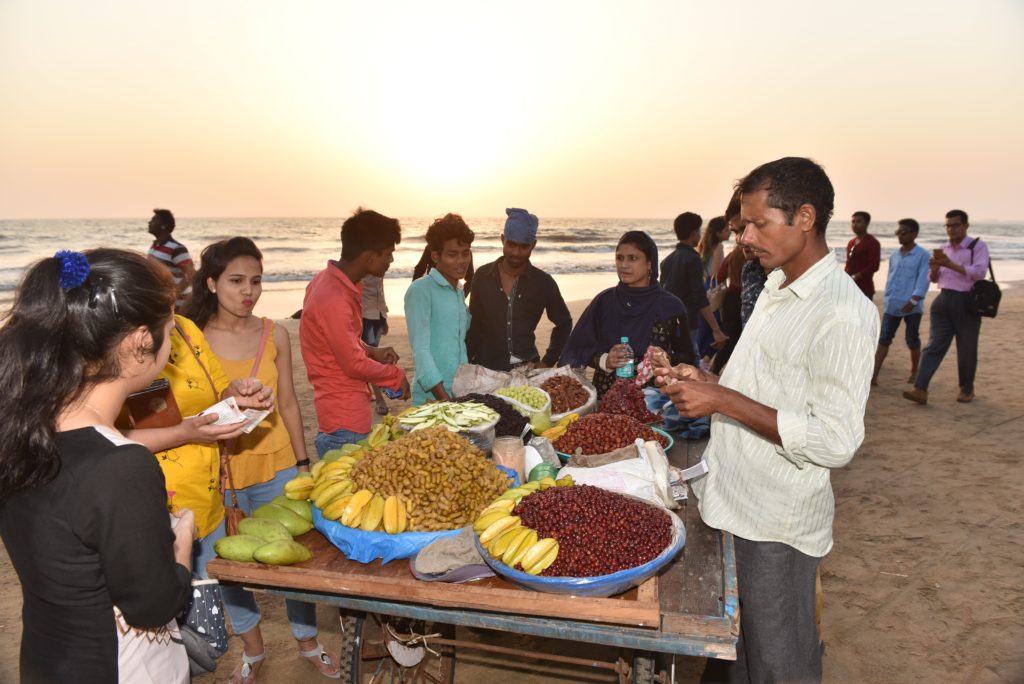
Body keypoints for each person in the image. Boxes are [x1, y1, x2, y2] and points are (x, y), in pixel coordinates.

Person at [655, 157, 878, 683]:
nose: (746, 237)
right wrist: (708, 385)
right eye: (742, 225)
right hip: (733, 499)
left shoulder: (841, 311)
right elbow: (766, 391)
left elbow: (836, 438)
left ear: (805, 217)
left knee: (781, 665)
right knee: (738, 655)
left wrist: (723, 404)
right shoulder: (778, 287)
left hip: (774, 524)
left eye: (758, 224)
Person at [0, 248, 195, 682]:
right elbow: (153, 605)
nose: (174, 340)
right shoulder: (121, 465)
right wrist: (183, 544)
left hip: (45, 660)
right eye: (171, 328)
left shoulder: (20, 432)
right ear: (139, 341)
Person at [186, 237, 341, 681]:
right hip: (220, 472)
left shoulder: (276, 334)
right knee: (227, 567)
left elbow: (290, 402)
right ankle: (253, 650)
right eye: (236, 281)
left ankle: (308, 641)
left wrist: (303, 462)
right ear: (212, 283)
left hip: (274, 467)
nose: (248, 291)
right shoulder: (190, 339)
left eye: (256, 281)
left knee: (295, 561)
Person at [301, 209, 409, 456]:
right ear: (370, 257)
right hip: (344, 421)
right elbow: (352, 365)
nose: (391, 260)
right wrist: (395, 376)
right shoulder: (334, 298)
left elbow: (340, 341)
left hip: (342, 413)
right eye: (388, 253)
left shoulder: (326, 281)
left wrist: (372, 351)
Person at [561, 231, 694, 398]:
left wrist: (666, 358)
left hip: (654, 397)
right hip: (607, 396)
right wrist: (606, 360)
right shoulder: (604, 301)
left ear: (650, 263)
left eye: (632, 258)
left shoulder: (670, 306)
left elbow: (688, 357)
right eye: (619, 258)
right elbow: (579, 348)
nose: (623, 265)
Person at [466, 208, 573, 371]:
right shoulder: (482, 276)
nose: (516, 252)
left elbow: (564, 323)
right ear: (503, 240)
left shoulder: (543, 283)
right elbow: (474, 325)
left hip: (527, 368)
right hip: (486, 368)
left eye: (523, 247)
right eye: (511, 244)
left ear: (533, 245)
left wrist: (548, 361)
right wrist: (467, 361)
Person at [903, 210, 989, 405]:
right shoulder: (944, 249)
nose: (951, 229)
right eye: (948, 225)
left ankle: (966, 389)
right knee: (934, 346)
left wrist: (950, 264)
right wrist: (934, 269)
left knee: (966, 348)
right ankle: (920, 388)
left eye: (955, 225)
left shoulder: (977, 246)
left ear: (966, 226)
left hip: (967, 301)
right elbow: (933, 279)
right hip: (943, 300)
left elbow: (980, 273)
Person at [405, 213, 474, 404]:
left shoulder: (458, 291)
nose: (461, 261)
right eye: (452, 254)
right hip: (432, 399)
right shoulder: (420, 290)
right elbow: (421, 351)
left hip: (459, 395)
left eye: (465, 253)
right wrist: (443, 398)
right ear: (436, 256)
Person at [660, 212, 728, 358]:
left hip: (668, 322)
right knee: (691, 361)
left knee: (673, 361)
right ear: (693, 233)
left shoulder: (667, 260)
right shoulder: (692, 259)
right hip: (687, 321)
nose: (700, 235)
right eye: (699, 231)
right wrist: (716, 329)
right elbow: (699, 297)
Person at [872, 219, 930, 386]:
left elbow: (923, 279)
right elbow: (891, 278)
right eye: (898, 232)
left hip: (912, 305)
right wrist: (887, 298)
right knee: (884, 339)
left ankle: (914, 371)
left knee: (912, 339)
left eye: (904, 232)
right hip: (893, 303)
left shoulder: (923, 255)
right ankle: (874, 375)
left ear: (914, 234)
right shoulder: (895, 255)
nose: (900, 235)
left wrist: (914, 299)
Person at [147, 208, 195, 310]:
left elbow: (191, 274)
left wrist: (173, 293)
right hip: (161, 301)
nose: (149, 222)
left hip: (176, 306)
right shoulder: (155, 246)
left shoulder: (176, 248)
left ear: (163, 226)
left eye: (154, 220)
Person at [361, 274, 391, 415]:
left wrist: (384, 318)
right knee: (371, 358)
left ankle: (367, 391)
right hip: (364, 315)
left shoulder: (379, 264)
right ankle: (380, 399)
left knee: (368, 356)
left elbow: (381, 289)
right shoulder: (361, 263)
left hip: (378, 313)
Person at [844, 210, 880, 299]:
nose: (855, 225)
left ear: (867, 223)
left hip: (864, 288)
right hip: (849, 287)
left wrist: (857, 276)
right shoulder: (851, 242)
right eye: (853, 222)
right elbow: (848, 263)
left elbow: (874, 265)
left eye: (859, 221)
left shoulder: (872, 242)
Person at [697, 215, 731, 281]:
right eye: (726, 230)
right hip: (712, 283)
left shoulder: (707, 245)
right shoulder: (719, 246)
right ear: (718, 233)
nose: (730, 232)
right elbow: (715, 272)